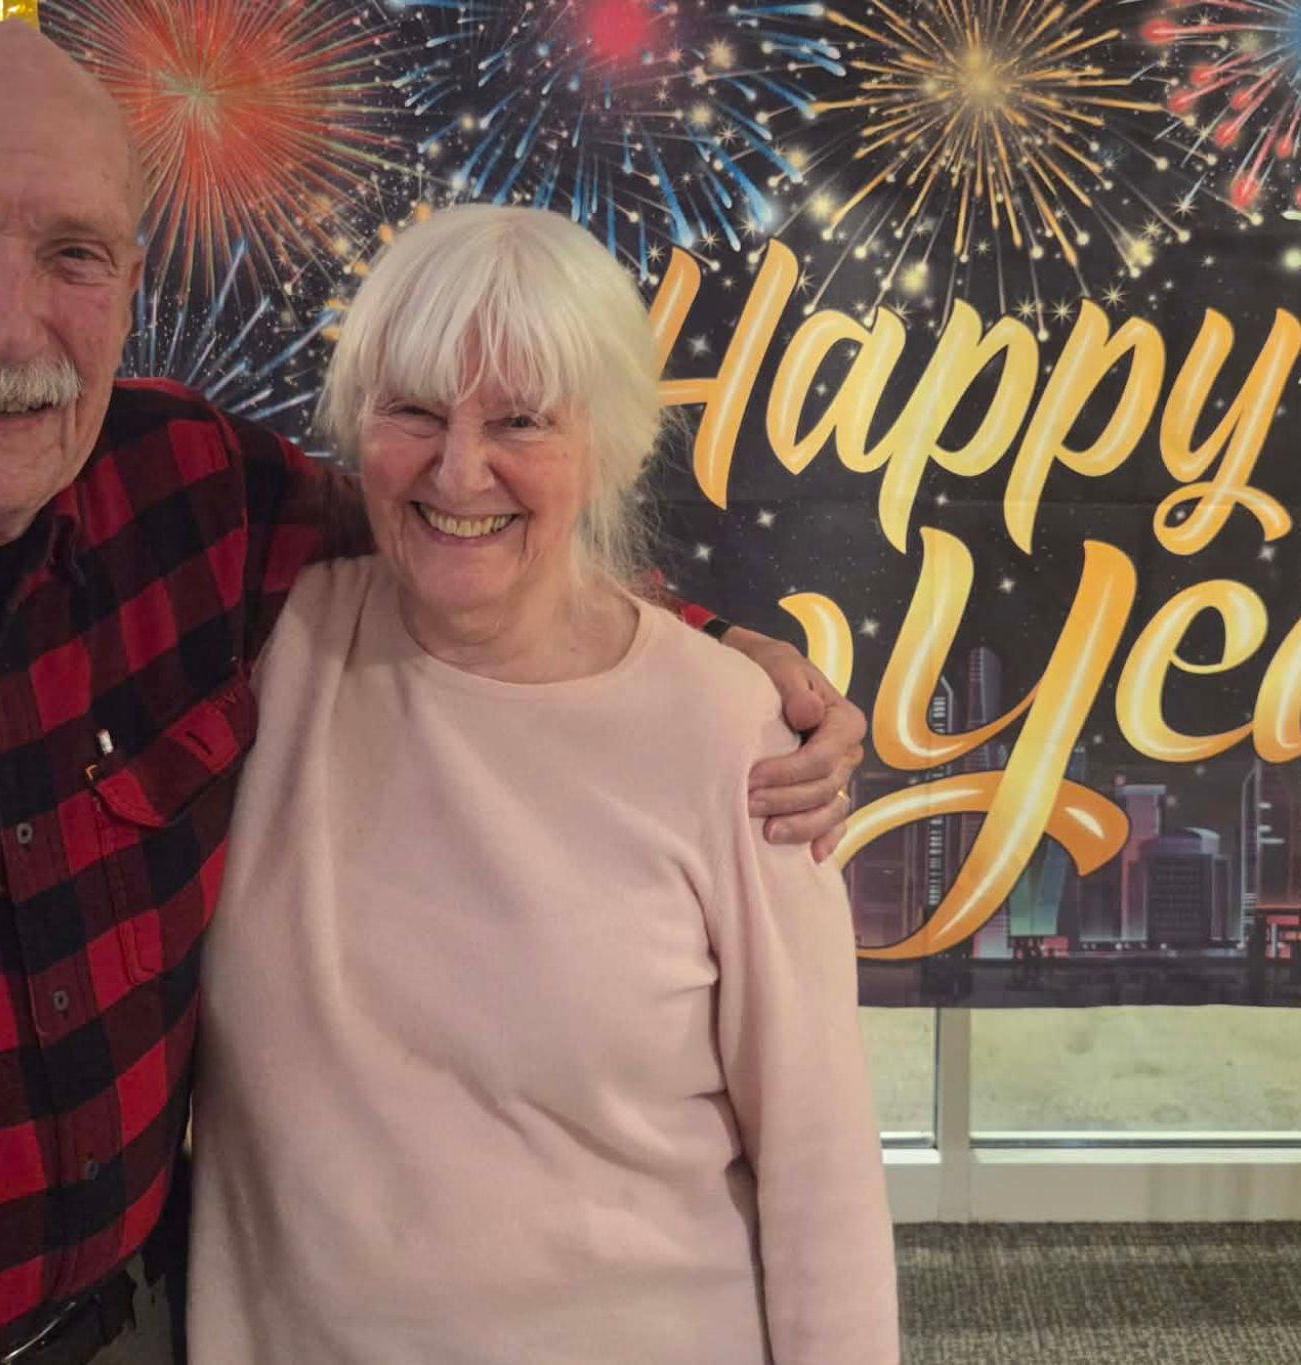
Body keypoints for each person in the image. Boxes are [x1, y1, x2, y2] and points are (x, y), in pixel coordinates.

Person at [0, 25, 863, 1365]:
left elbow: (468, 549)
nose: (1, 320)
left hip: (147, 1327)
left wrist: (731, 663)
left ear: (130, 285)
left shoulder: (192, 494)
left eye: (71, 254)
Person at [187, 202, 898, 1364]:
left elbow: (818, 1171)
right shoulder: (270, 652)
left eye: (521, 420)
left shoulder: (730, 731)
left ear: (610, 444)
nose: (457, 468)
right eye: (411, 410)